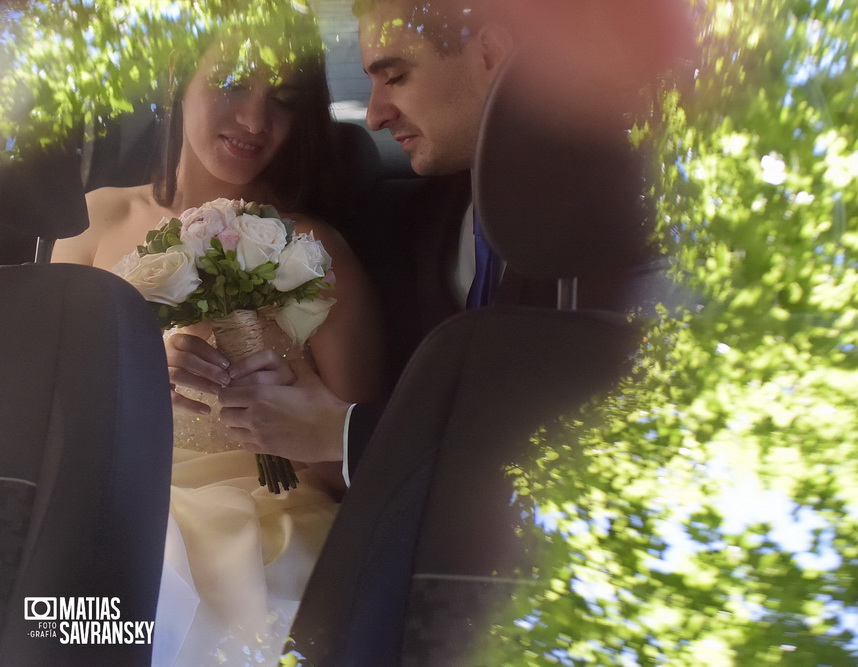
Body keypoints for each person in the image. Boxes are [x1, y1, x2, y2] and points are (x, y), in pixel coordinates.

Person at [51, 3, 384, 665]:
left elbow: (372, 470)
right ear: (178, 70)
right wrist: (136, 377)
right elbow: (48, 420)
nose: (257, 121)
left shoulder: (318, 252)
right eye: (232, 82)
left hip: (272, 523)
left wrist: (287, 419)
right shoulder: (93, 222)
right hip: (119, 508)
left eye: (284, 100)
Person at [216, 0, 519, 487]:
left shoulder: (632, 227)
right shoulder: (421, 219)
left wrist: (342, 434)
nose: (373, 115)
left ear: (490, 54)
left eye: (395, 76)